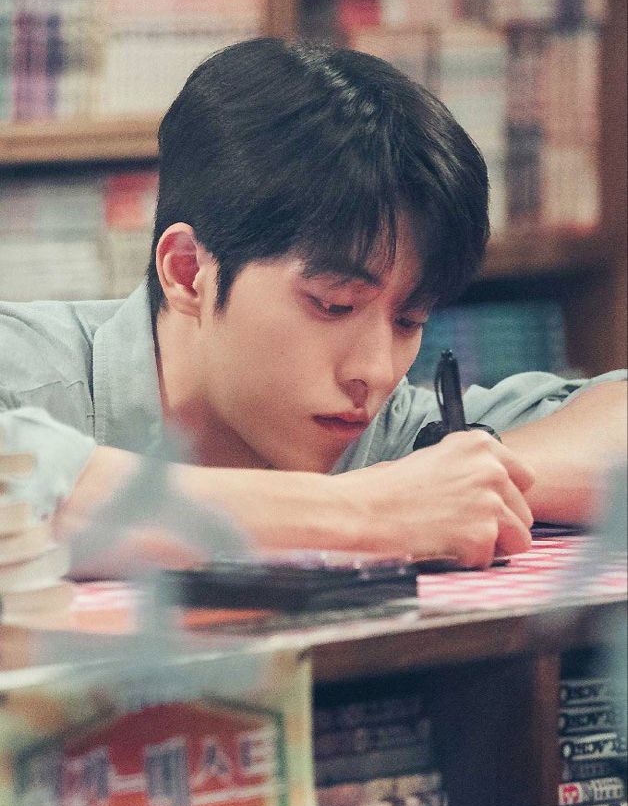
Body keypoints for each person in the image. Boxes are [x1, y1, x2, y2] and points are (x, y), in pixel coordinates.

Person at [1, 39, 625, 570]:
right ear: (188, 272)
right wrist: (362, 512)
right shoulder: (29, 371)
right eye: (332, 306)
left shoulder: (393, 432)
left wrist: (473, 481)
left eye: (410, 320)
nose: (376, 372)